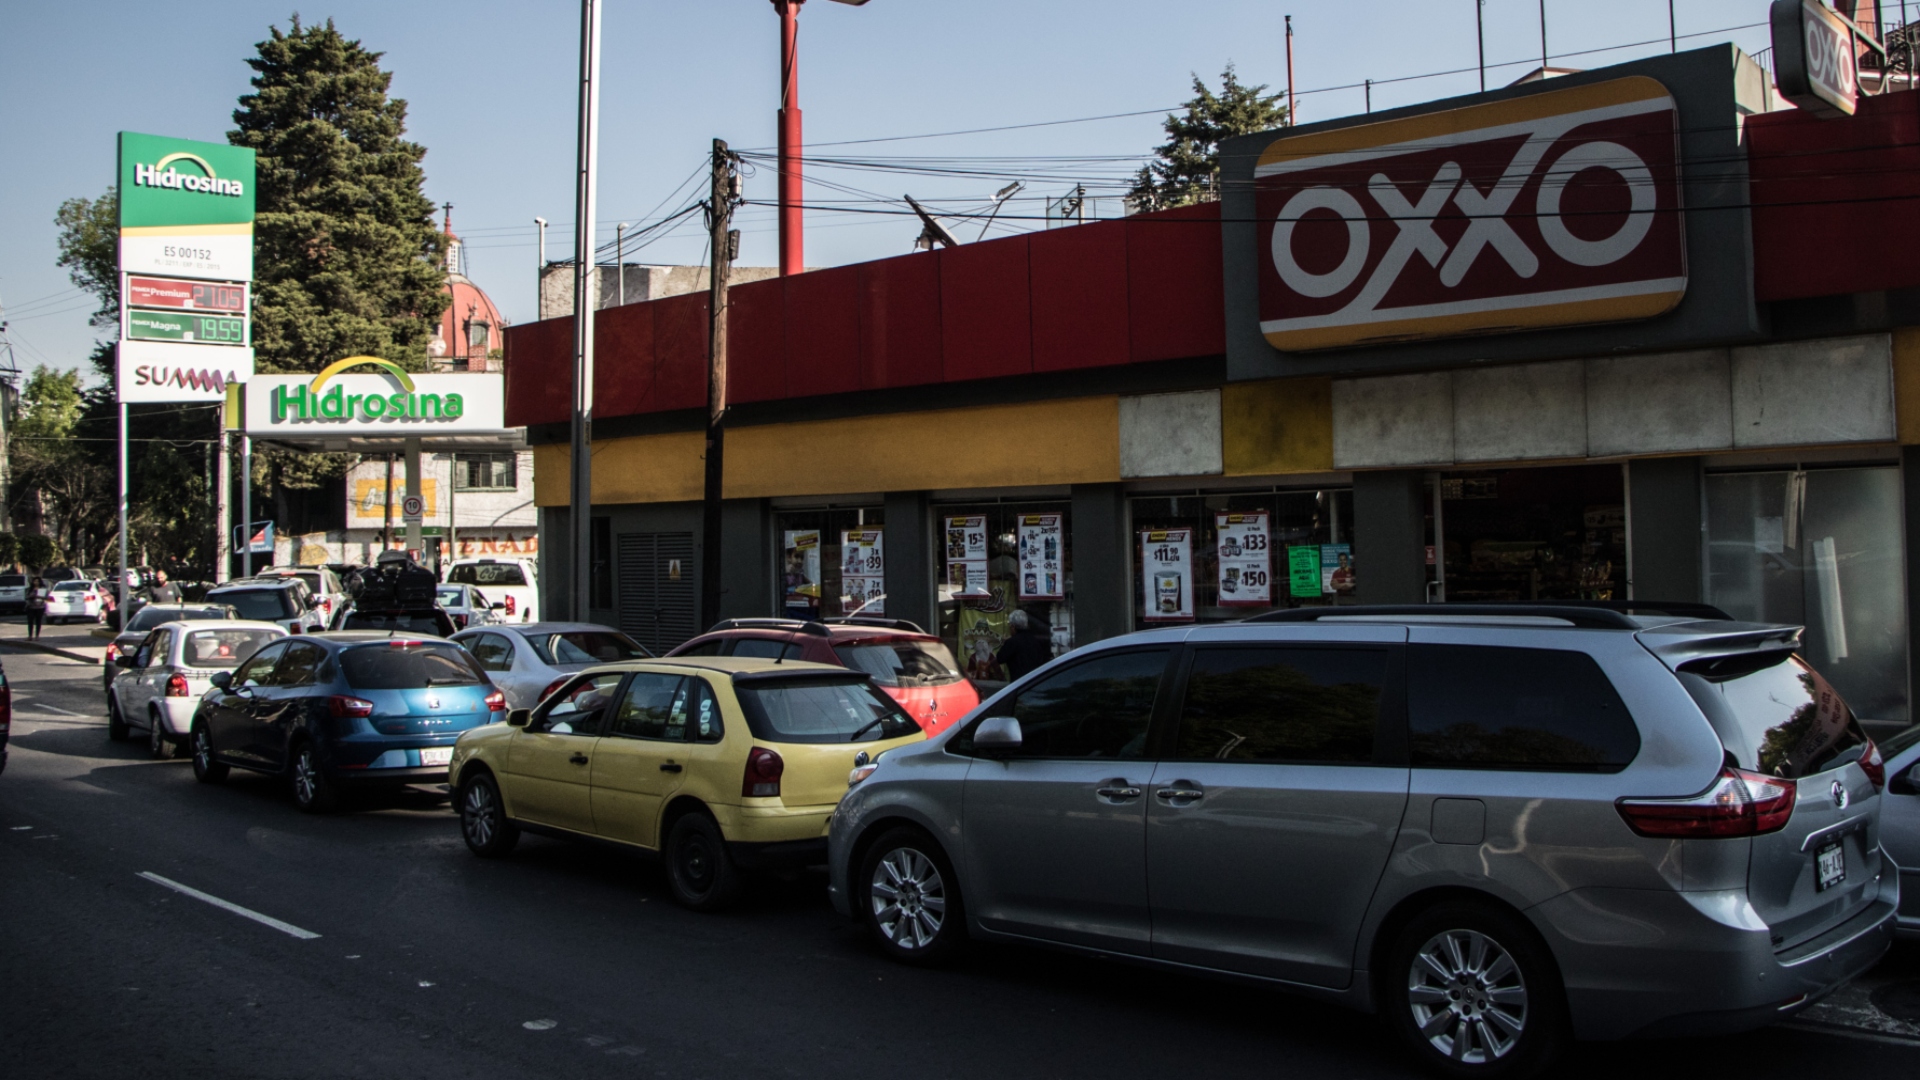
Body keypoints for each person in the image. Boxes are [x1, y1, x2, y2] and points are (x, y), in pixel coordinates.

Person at [991, 609, 1054, 682]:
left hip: (1019, 684)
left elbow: (1000, 658)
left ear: (1013, 627)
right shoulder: (1034, 640)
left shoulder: (1012, 642)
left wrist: (1005, 643)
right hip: (1034, 682)